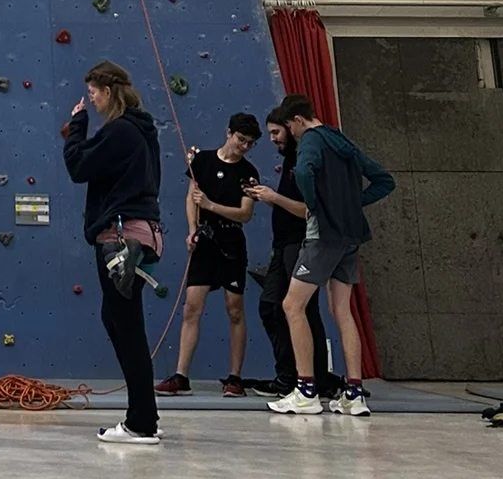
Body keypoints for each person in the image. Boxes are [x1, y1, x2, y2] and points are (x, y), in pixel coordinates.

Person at [267, 94, 396, 419]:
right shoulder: (342, 140)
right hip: (351, 236)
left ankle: (306, 390)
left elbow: (306, 172)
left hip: (323, 235)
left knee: (291, 306)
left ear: (297, 120)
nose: (292, 135)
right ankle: (354, 394)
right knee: (343, 311)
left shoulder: (311, 140)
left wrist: (317, 206)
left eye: (289, 128)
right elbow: (384, 180)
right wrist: (352, 205)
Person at [62, 60, 163, 446]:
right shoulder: (142, 131)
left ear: (107, 92)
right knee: (117, 319)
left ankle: (141, 422)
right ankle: (145, 411)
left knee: (127, 326)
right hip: (142, 231)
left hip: (122, 237)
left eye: (93, 94)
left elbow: (78, 165)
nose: (90, 99)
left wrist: (78, 127)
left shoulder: (120, 130)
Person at [156, 112, 261, 398]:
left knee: (234, 308)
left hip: (231, 241)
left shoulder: (248, 173)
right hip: (205, 239)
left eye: (250, 143)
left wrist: (212, 206)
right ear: (229, 133)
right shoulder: (201, 161)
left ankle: (235, 377)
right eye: (241, 140)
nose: (244, 146)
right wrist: (192, 230)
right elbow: (191, 197)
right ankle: (181, 375)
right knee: (192, 306)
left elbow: (245, 214)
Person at [252, 113, 331, 400]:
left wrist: (274, 198)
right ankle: (290, 376)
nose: (272, 139)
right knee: (272, 306)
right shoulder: (289, 160)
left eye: (276, 132)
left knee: (302, 310)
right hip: (284, 243)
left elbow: (307, 209)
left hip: (301, 243)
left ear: (292, 126)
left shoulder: (304, 160)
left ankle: (313, 379)